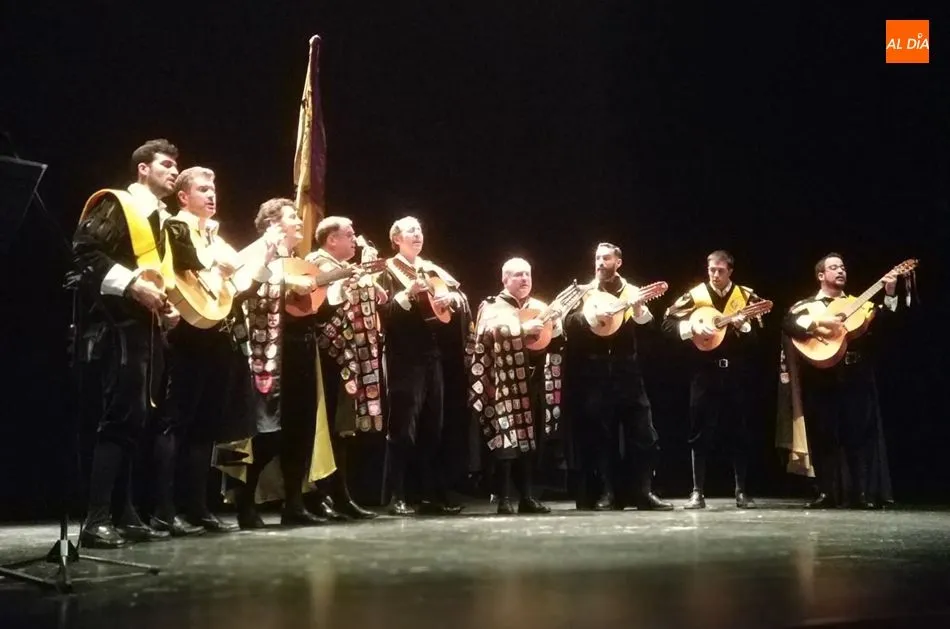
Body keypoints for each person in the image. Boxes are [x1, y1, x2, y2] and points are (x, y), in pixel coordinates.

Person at [71, 139, 182, 548]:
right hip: (114, 327)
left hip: (146, 330)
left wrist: (166, 305)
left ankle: (125, 511)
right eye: (166, 165)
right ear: (142, 169)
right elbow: (85, 254)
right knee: (118, 417)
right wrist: (134, 286)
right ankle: (96, 517)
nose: (173, 171)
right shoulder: (117, 204)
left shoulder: (161, 221)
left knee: (138, 421)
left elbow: (157, 277)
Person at [228, 199, 337, 528]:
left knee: (300, 431)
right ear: (273, 224)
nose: (299, 221)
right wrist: (287, 285)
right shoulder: (252, 254)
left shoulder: (298, 262)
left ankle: (294, 502)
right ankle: (245, 505)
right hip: (266, 357)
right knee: (266, 433)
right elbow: (239, 294)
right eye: (292, 217)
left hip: (301, 351)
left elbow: (312, 314)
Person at [781, 253, 900, 509]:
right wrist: (820, 322)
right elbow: (789, 323)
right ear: (821, 275)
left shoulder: (862, 304)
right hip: (821, 377)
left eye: (843, 267)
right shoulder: (807, 305)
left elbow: (886, 326)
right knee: (823, 435)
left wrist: (889, 294)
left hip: (855, 375)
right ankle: (826, 493)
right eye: (834, 267)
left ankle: (862, 495)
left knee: (858, 435)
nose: (840, 271)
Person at [562, 243, 673, 511]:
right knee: (603, 435)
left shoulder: (632, 292)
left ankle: (644, 492)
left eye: (606, 258)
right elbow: (566, 324)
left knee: (644, 434)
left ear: (618, 262)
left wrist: (636, 310)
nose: (600, 263)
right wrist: (589, 317)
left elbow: (650, 330)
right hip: (596, 371)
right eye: (597, 258)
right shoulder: (585, 292)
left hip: (627, 372)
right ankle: (608, 493)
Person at [375, 216, 466, 516]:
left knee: (432, 426)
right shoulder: (387, 270)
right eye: (410, 230)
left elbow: (459, 296)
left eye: (420, 229)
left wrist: (450, 297)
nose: (418, 234)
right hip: (402, 355)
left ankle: (428, 494)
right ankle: (396, 495)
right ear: (396, 239)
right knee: (402, 427)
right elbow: (382, 313)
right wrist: (407, 294)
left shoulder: (430, 269)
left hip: (431, 354)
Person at [662, 250, 762, 509]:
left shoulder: (745, 297)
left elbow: (760, 338)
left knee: (739, 431)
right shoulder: (696, 295)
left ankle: (741, 491)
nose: (715, 275)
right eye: (711, 271)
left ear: (730, 270)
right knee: (699, 432)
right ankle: (697, 492)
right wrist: (691, 328)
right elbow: (667, 323)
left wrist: (743, 326)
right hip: (703, 372)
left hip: (735, 374)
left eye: (720, 270)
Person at [305, 215, 389, 520]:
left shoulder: (346, 269)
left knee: (342, 427)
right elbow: (327, 301)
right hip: (325, 354)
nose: (354, 240)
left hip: (346, 357)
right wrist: (355, 281)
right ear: (331, 240)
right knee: (326, 425)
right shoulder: (316, 263)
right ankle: (320, 493)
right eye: (349, 235)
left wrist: (371, 286)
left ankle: (338, 493)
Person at [468, 258, 560, 514]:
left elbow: (550, 340)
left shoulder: (539, 307)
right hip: (503, 382)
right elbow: (487, 331)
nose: (524, 279)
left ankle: (528, 496)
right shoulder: (492, 305)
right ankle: (504, 497)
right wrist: (521, 328)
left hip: (533, 379)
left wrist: (554, 325)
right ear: (505, 279)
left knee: (531, 439)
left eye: (528, 274)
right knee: (506, 439)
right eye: (518, 275)